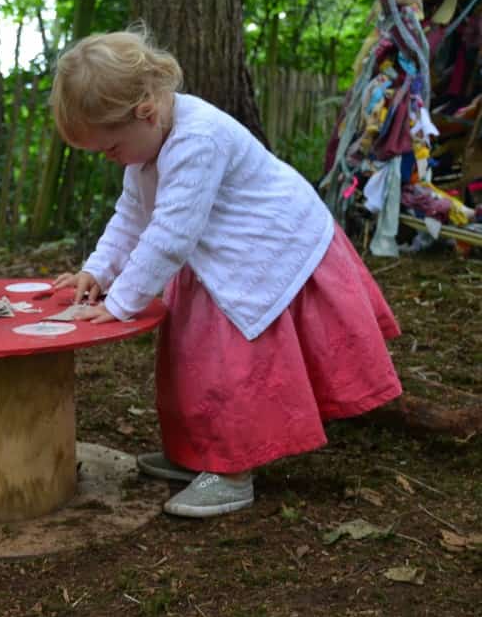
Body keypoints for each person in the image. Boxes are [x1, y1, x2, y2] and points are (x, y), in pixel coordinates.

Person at [49, 27, 402, 519]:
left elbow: (170, 234)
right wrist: (98, 272)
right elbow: (132, 215)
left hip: (268, 249)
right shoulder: (146, 146)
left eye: (109, 149)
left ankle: (233, 471)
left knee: (231, 365)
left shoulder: (198, 139)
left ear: (144, 112)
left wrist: (120, 303)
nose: (109, 159)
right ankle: (198, 452)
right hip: (218, 253)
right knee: (188, 356)